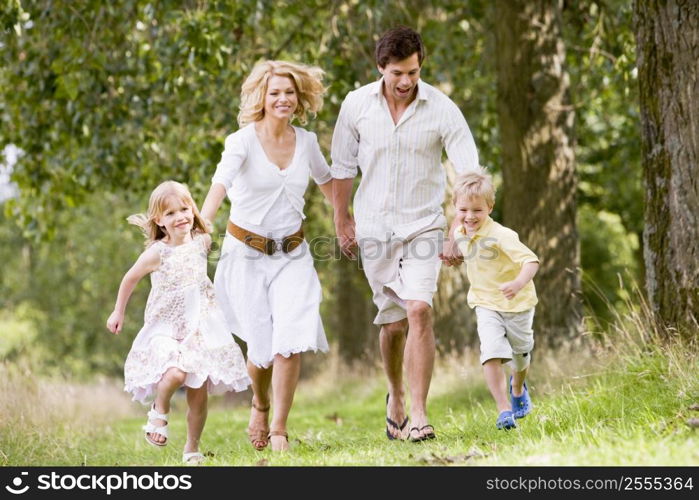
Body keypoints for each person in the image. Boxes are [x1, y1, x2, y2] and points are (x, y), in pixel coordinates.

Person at [331, 25, 480, 442]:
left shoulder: (442, 109)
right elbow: (342, 168)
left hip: (424, 225)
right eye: (397, 72)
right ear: (380, 67)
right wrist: (342, 220)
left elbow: (470, 174)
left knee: (419, 309)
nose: (405, 82)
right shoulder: (356, 105)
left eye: (412, 72)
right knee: (393, 323)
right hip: (374, 227)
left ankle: (419, 413)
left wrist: (457, 230)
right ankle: (395, 394)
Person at [201, 60, 334, 452]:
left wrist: (346, 221)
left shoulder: (307, 142)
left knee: (290, 340)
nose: (283, 99)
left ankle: (278, 428)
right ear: (262, 96)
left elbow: (327, 182)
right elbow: (220, 185)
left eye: (289, 92)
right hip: (245, 254)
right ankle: (259, 402)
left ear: (299, 98)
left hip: (293, 253)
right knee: (260, 350)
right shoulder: (241, 141)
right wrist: (202, 225)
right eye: (275, 92)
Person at [106, 180, 251, 464]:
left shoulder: (202, 241)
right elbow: (130, 278)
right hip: (166, 327)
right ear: (159, 220)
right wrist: (118, 312)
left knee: (198, 395)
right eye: (170, 213)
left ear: (192, 210)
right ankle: (159, 410)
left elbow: (217, 201)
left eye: (184, 209)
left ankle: (192, 447)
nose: (180, 217)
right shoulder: (157, 253)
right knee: (175, 374)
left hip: (200, 328)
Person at [447, 171, 539, 429]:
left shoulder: (502, 235)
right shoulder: (461, 228)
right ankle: (503, 410)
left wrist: (518, 283)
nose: (470, 216)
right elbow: (456, 228)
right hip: (485, 304)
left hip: (517, 304)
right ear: (455, 207)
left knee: (520, 357)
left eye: (477, 210)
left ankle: (518, 388)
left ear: (490, 207)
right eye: (463, 209)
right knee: (491, 353)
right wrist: (451, 247)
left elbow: (531, 261)